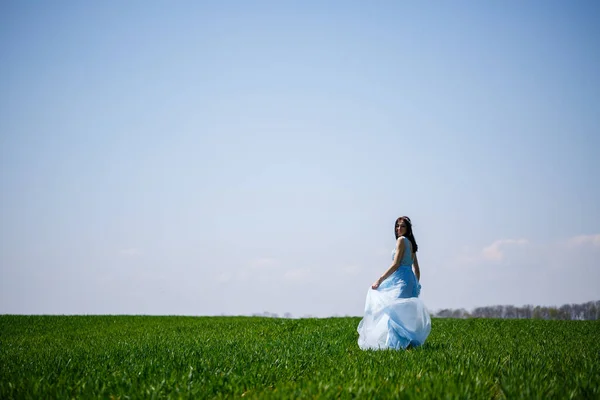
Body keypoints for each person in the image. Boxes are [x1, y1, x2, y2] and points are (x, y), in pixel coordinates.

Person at [357, 216, 431, 350]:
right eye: (397, 226)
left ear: (408, 229)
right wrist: (416, 284)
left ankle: (396, 346)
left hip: (401, 281)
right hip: (409, 281)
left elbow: (396, 264)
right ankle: (406, 345)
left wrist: (379, 279)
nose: (398, 229)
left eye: (402, 226)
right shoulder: (411, 244)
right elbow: (417, 270)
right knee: (403, 314)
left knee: (394, 313)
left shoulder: (402, 241)